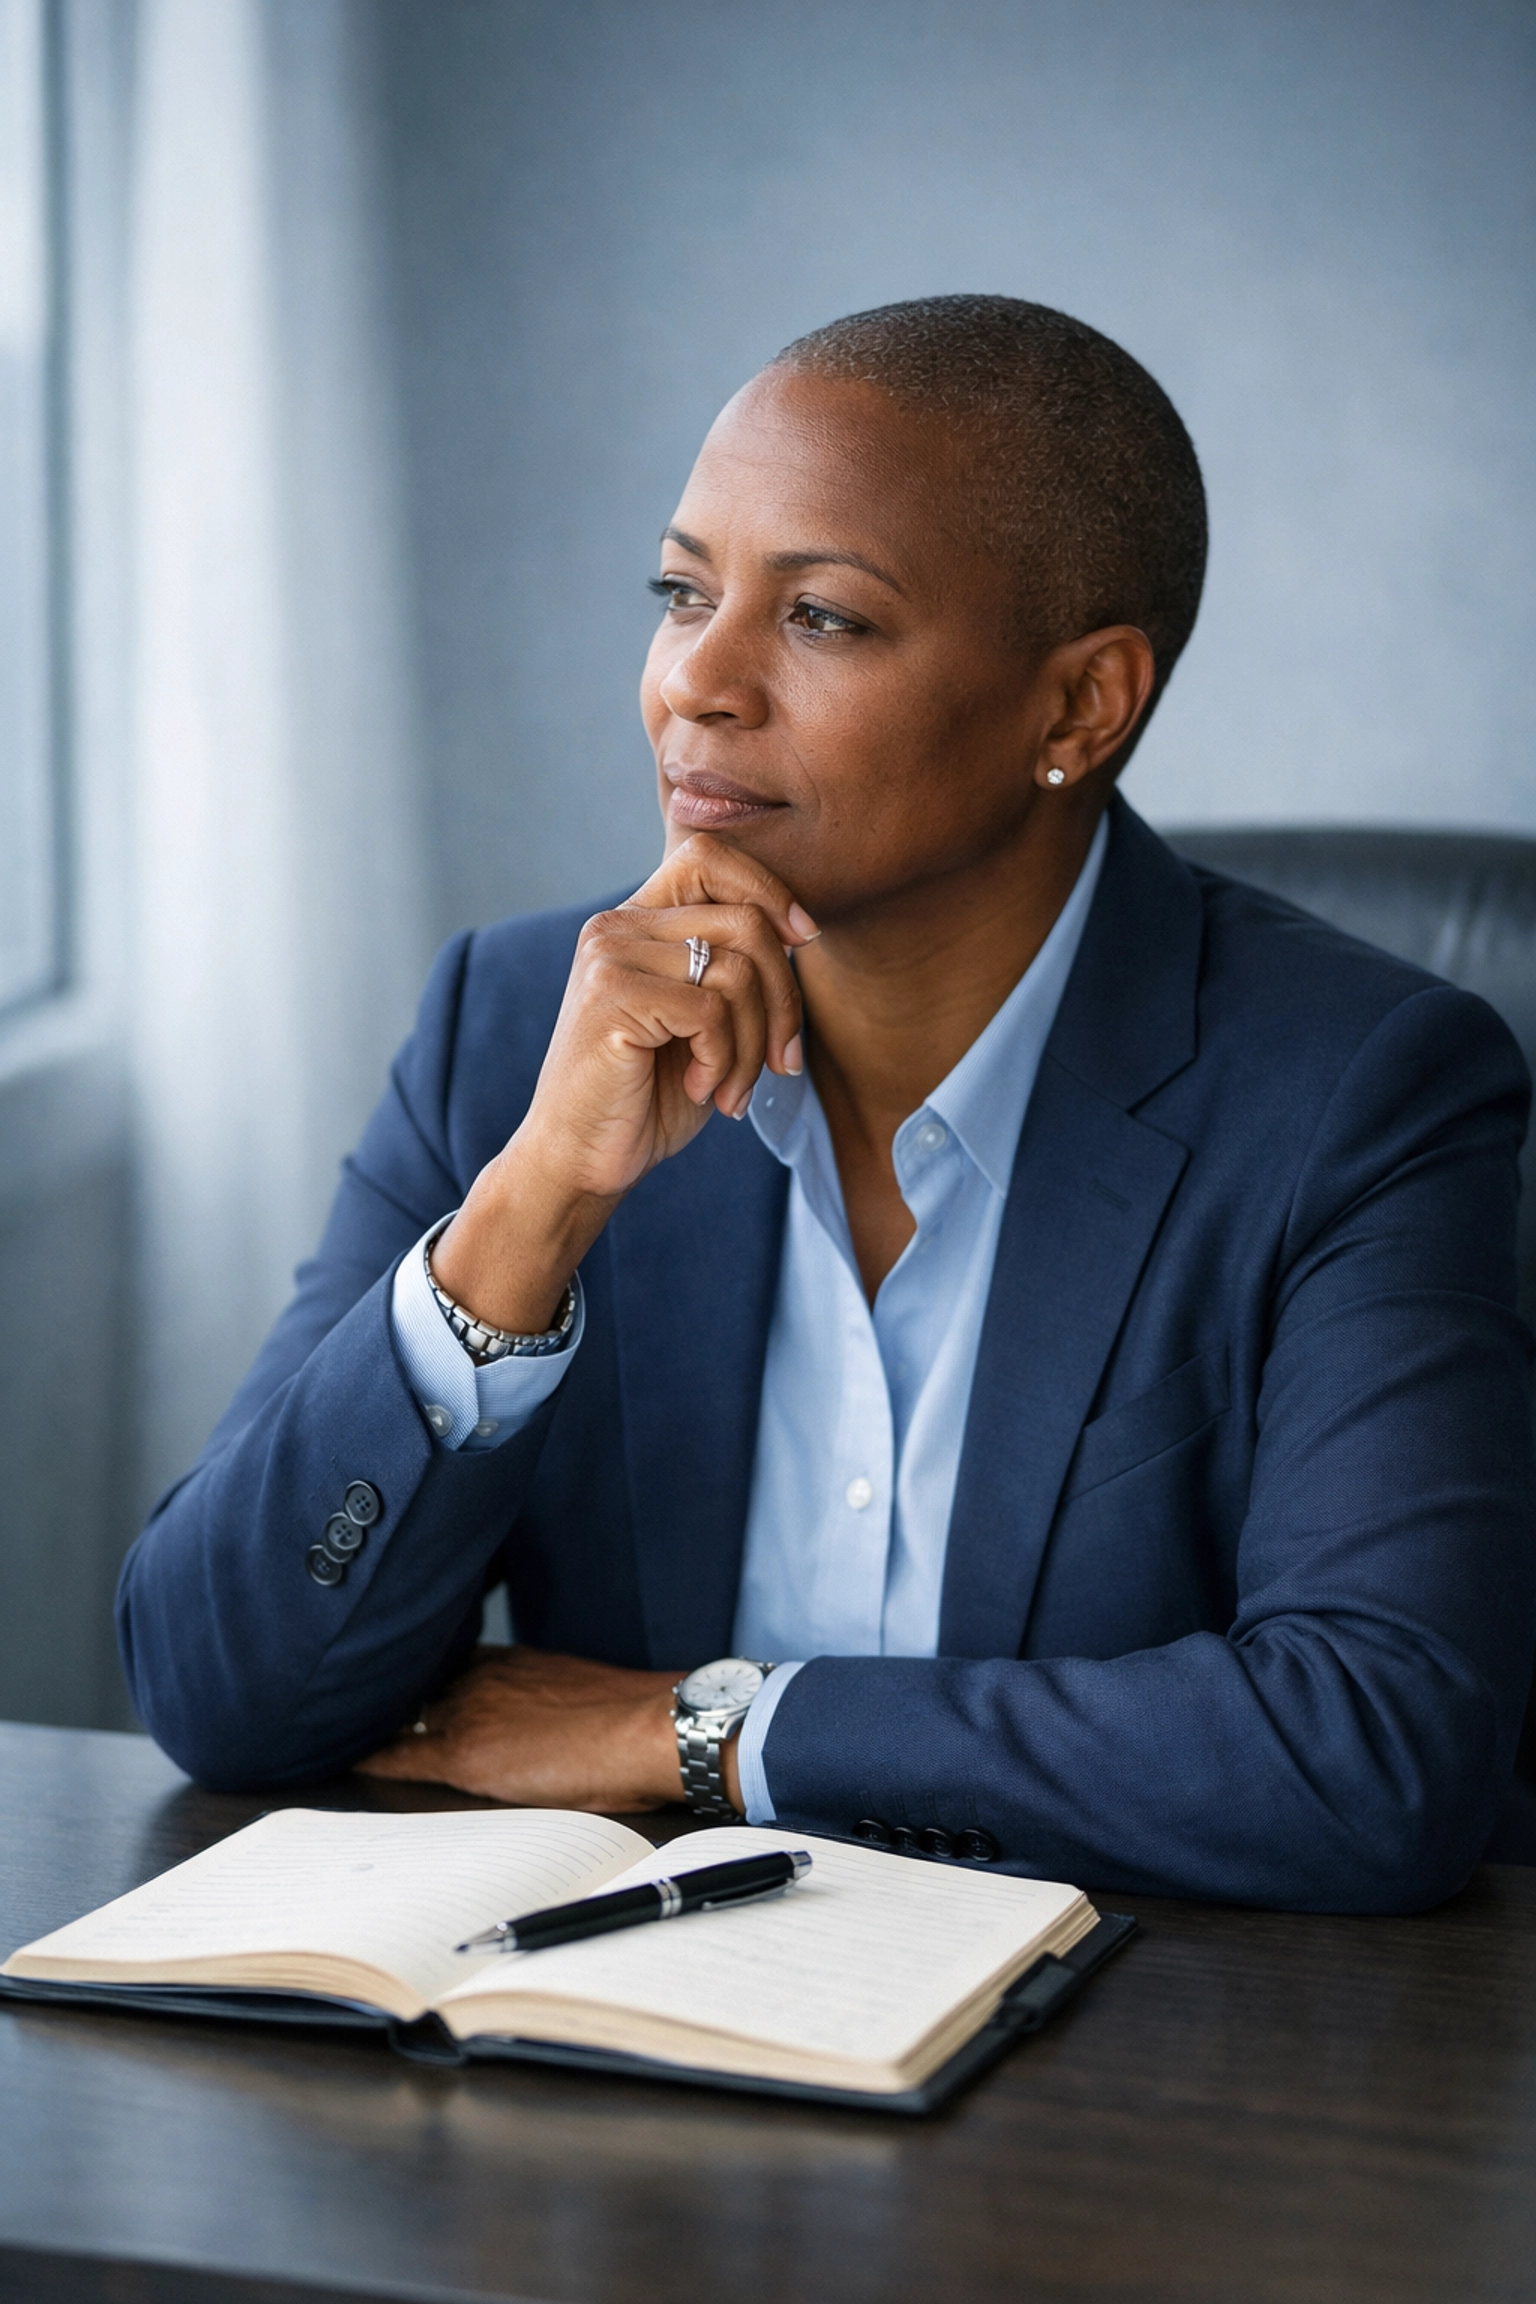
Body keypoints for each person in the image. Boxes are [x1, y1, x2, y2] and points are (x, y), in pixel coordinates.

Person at [117, 295, 1536, 1912]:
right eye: (683, 593)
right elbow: (218, 1695)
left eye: (823, 618)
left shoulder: (1361, 1088)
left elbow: (1376, 1753)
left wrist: (698, 1730)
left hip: (1151, 2036)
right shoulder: (517, 1025)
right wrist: (531, 1211)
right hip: (642, 2015)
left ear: (1079, 706)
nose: (695, 683)